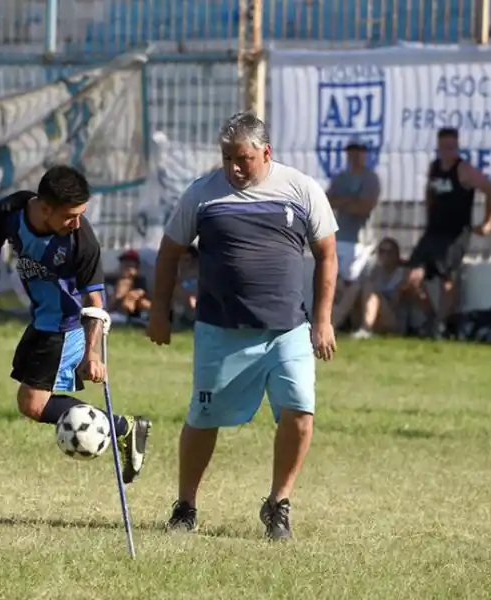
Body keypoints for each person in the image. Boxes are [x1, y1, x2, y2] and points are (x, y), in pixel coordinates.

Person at [146, 112, 338, 540]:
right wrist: (159, 310)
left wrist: (322, 320)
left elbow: (327, 254)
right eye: (226, 157)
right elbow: (169, 252)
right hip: (221, 332)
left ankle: (278, 504)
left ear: (265, 152)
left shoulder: (301, 189)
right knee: (203, 418)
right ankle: (186, 506)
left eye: (243, 159)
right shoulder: (202, 193)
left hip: (287, 331)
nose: (233, 167)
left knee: (301, 414)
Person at [0, 165, 152, 484]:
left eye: (81, 214)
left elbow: (96, 306)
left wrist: (92, 355)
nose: (77, 222)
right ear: (44, 208)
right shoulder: (9, 212)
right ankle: (125, 427)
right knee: (29, 404)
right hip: (40, 320)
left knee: (32, 402)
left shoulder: (82, 241)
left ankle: (122, 428)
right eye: (70, 216)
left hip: (66, 326)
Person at [404, 127, 491, 338]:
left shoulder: (464, 169)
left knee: (446, 278)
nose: (448, 151)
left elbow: (490, 189)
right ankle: (432, 316)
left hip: (455, 233)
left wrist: (488, 222)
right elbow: (429, 192)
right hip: (433, 231)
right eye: (444, 146)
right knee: (410, 278)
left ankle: (442, 325)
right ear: (438, 146)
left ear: (457, 146)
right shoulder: (434, 167)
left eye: (452, 147)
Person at [326, 139, 382, 328]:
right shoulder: (341, 178)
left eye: (359, 152)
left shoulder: (370, 178)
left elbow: (364, 207)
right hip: (341, 236)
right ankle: (337, 322)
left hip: (361, 241)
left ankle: (339, 323)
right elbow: (328, 201)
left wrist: (344, 203)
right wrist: (351, 201)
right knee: (338, 283)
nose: (355, 156)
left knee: (355, 283)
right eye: (352, 152)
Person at [350, 237, 407, 340]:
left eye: (389, 252)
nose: (385, 255)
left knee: (370, 291)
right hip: (374, 316)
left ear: (397, 255)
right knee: (355, 288)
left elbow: (396, 302)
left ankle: (366, 329)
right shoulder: (374, 271)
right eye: (381, 251)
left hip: (392, 318)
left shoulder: (402, 274)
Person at [107, 249, 151, 322]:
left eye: (129, 266)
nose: (125, 268)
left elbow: (130, 305)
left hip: (131, 317)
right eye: (124, 264)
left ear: (136, 269)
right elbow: (108, 307)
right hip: (111, 315)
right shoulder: (110, 281)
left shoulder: (139, 282)